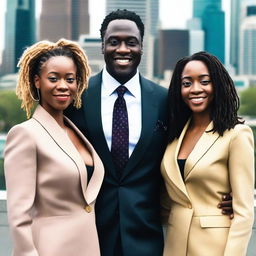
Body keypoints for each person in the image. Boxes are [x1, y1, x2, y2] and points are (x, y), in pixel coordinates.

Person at [65, 10, 234, 256]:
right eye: (114, 41)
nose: (123, 49)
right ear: (102, 46)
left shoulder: (167, 100)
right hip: (89, 235)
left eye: (131, 42)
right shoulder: (76, 98)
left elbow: (195, 146)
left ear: (142, 46)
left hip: (147, 238)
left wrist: (224, 191)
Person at [4, 39, 104, 256]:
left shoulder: (76, 131)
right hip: (49, 249)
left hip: (88, 248)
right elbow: (19, 214)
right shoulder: (25, 134)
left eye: (70, 79)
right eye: (53, 78)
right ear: (37, 81)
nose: (63, 85)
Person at [161, 51, 254, 256]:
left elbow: (244, 212)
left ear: (218, 85)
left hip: (215, 247)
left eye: (204, 81)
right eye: (186, 83)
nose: (195, 89)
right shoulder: (174, 136)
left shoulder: (237, 135)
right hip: (175, 245)